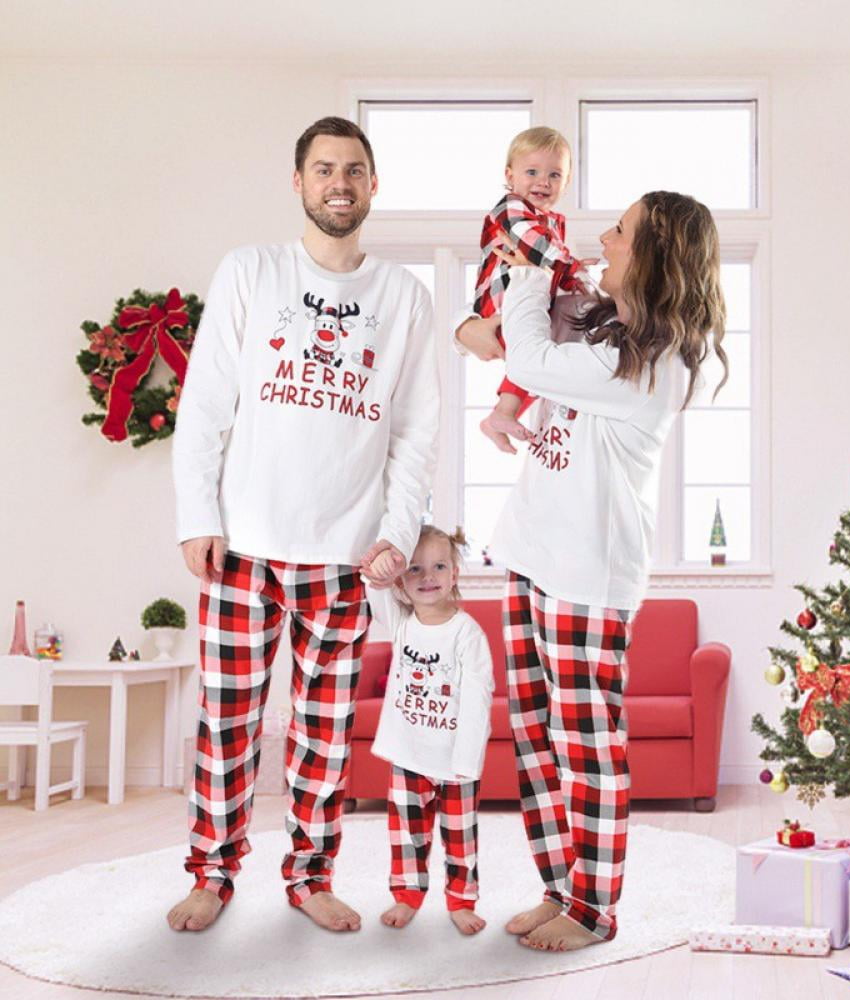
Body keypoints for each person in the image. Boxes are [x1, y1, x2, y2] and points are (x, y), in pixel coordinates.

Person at [167, 116, 439, 934]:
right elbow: (206, 405)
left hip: (347, 556)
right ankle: (212, 875)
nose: (339, 182)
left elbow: (416, 433)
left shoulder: (404, 298)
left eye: (354, 169)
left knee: (324, 734)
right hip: (244, 547)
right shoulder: (252, 272)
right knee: (229, 723)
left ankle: (310, 877)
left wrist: (395, 533)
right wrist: (196, 516)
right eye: (324, 169)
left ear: (373, 184)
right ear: (299, 182)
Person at [457, 191, 728, 951]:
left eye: (620, 232)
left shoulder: (652, 361)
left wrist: (529, 271)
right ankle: (560, 887)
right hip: (530, 550)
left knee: (588, 746)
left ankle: (596, 908)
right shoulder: (604, 331)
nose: (603, 239)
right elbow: (507, 350)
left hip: (586, 569)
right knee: (537, 738)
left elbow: (532, 359)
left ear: (655, 256)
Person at [365, 525, 494, 936]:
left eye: (439, 566)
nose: (428, 577)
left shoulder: (466, 633)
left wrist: (468, 759)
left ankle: (460, 900)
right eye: (415, 569)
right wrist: (384, 564)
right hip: (408, 753)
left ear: (454, 573)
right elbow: (375, 586)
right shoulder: (401, 622)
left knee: (459, 836)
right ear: (402, 581)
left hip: (454, 757)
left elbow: (478, 697)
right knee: (406, 833)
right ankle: (407, 895)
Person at [461, 126, 596, 454]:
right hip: (505, 299)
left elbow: (549, 266)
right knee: (539, 357)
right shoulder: (511, 208)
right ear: (510, 176)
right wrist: (572, 267)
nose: (543, 182)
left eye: (554, 174)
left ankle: (502, 415)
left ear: (566, 181)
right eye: (532, 172)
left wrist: (574, 279)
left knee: (544, 358)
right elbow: (534, 247)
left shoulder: (551, 222)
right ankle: (501, 415)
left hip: (528, 300)